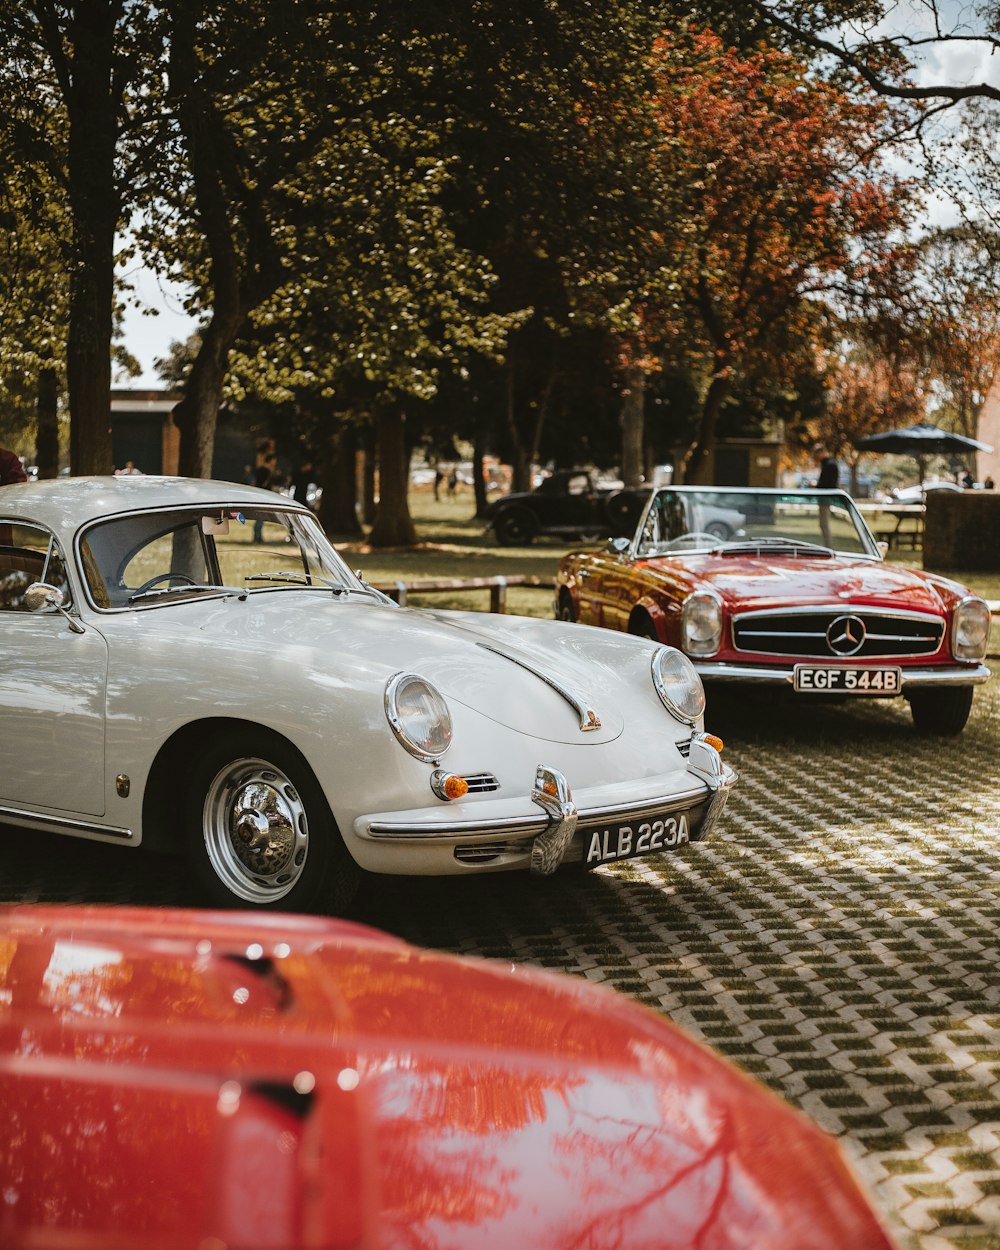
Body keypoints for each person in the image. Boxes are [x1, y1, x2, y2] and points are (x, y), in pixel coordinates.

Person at [252, 454, 278, 542]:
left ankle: (258, 536)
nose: (275, 462)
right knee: (260, 517)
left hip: (259, 496)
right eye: (274, 460)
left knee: (261, 518)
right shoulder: (266, 471)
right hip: (262, 497)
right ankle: (257, 537)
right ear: (270, 461)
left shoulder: (262, 470)